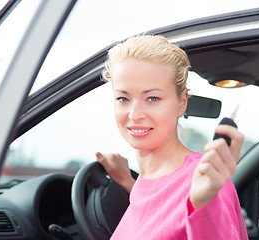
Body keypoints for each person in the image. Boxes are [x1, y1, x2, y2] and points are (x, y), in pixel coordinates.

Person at [96, 35, 248, 239]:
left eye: (152, 98)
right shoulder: (144, 182)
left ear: (182, 102)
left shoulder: (205, 181)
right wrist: (126, 181)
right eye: (123, 98)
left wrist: (204, 205)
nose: (135, 114)